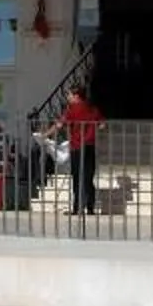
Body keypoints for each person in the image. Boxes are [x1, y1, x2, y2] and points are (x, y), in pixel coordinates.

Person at [49, 85, 104, 217]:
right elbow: (102, 125)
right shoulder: (92, 108)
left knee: (77, 177)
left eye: (69, 95)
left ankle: (77, 208)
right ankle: (90, 208)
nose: (67, 97)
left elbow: (59, 125)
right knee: (88, 177)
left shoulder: (72, 109)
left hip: (77, 147)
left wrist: (45, 135)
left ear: (76, 96)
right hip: (90, 146)